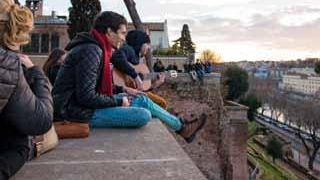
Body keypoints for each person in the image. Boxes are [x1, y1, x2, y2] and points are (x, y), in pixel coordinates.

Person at [53, 14, 206, 143]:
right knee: (143, 115)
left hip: (83, 107)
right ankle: (181, 127)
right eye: (122, 33)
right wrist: (119, 101)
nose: (124, 38)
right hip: (76, 113)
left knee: (141, 98)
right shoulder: (92, 50)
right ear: (109, 31)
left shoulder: (97, 48)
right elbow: (86, 96)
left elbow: (91, 86)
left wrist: (123, 89)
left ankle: (181, 127)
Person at [0, 0, 54, 179]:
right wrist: (36, 73)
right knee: (20, 143)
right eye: (121, 32)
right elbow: (41, 120)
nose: (122, 37)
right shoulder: (7, 62)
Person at [111, 30, 168, 109]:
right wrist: (135, 76)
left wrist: (154, 85)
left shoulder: (136, 58)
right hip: (121, 91)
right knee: (161, 103)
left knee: (161, 103)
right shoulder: (129, 49)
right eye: (148, 44)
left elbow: (139, 89)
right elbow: (116, 57)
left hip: (130, 92)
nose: (148, 48)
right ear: (142, 43)